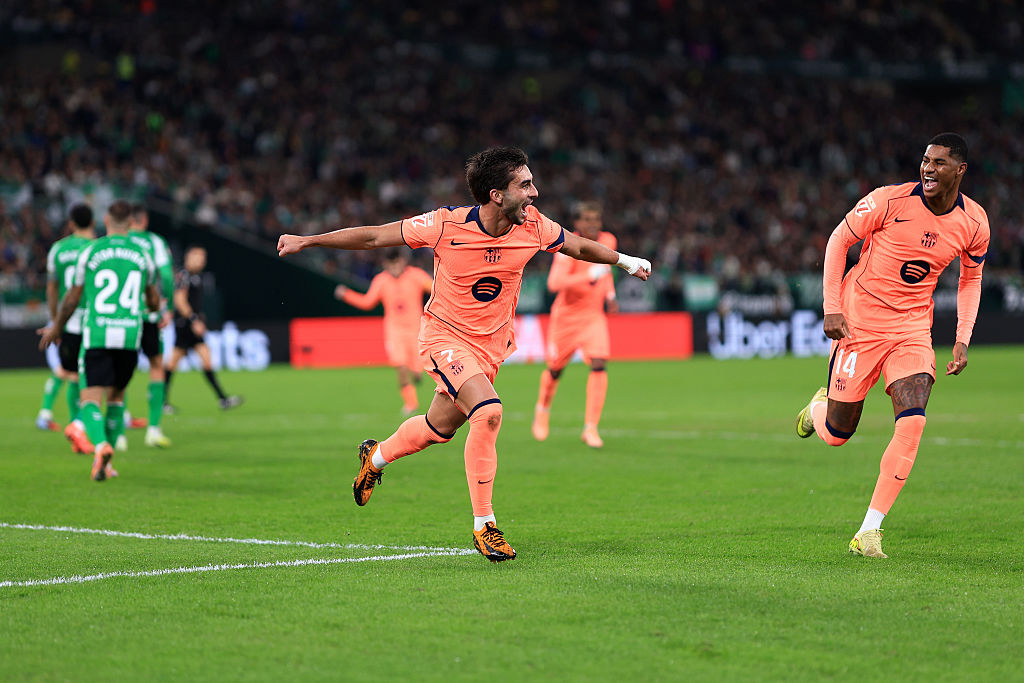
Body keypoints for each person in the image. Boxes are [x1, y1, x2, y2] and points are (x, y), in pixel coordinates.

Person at [278, 146, 651, 562]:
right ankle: (484, 525)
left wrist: (626, 261)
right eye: (525, 185)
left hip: (490, 347)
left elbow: (578, 247)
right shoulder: (444, 224)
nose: (535, 193)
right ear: (496, 194)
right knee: (488, 412)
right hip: (444, 338)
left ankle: (376, 457)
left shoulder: (534, 226)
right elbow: (374, 236)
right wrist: (308, 240)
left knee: (437, 428)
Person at [796, 133, 989, 558]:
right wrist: (832, 307)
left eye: (939, 163)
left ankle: (869, 530)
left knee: (914, 420)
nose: (928, 169)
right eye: (925, 160)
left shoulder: (974, 223)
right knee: (837, 434)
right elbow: (838, 240)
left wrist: (962, 338)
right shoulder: (888, 200)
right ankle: (817, 409)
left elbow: (971, 278)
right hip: (860, 323)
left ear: (960, 170)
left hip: (912, 329)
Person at [39, 199, 160, 481]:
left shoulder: (91, 251)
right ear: (130, 223)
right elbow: (153, 300)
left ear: (105, 221)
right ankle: (106, 464)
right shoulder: (143, 254)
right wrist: (152, 308)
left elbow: (72, 297)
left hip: (97, 334)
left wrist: (57, 326)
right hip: (129, 336)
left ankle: (102, 445)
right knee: (116, 398)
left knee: (90, 400)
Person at [531, 201, 618, 448]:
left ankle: (591, 428)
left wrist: (610, 294)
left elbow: (606, 270)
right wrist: (587, 276)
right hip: (566, 318)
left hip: (593, 316)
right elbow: (554, 283)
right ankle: (542, 409)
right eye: (587, 219)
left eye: (596, 219)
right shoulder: (568, 246)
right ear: (577, 223)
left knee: (599, 363)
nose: (592, 224)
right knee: (555, 370)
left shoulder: (608, 240)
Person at [335, 249, 433, 414]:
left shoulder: (416, 275)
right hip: (394, 330)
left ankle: (417, 373)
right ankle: (411, 404)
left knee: (418, 368)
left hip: (416, 329)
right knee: (401, 367)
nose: (394, 267)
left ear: (403, 261)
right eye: (391, 264)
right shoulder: (381, 281)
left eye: (397, 263)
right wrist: (347, 295)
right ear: (385, 264)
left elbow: (434, 288)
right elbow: (367, 302)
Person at [36, 204, 95, 455]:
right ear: (93, 222)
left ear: (71, 223)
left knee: (70, 372)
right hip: (93, 321)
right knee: (91, 376)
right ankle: (78, 426)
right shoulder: (96, 248)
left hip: (67, 322)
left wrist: (55, 322)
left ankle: (66, 421)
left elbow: (51, 287)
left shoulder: (58, 249)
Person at [163, 245, 243, 412]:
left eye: (203, 258)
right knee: (173, 362)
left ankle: (223, 399)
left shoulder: (196, 277)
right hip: (185, 325)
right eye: (198, 257)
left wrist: (199, 317)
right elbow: (179, 300)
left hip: (192, 324)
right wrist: (194, 320)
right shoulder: (184, 276)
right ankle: (162, 402)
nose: (201, 261)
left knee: (205, 360)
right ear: (189, 258)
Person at [125, 203, 174, 447]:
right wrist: (168, 306)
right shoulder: (154, 242)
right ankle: (153, 429)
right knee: (156, 366)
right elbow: (166, 275)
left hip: (124, 316)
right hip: (150, 314)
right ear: (143, 220)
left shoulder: (119, 242)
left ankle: (118, 434)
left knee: (121, 370)